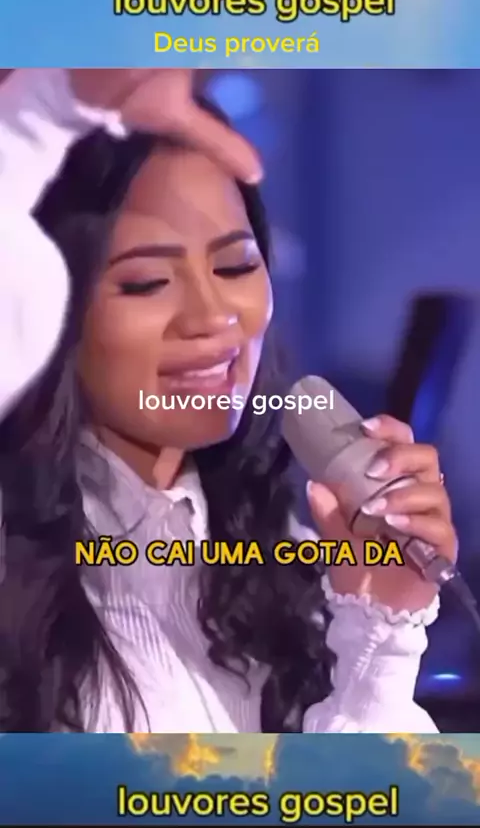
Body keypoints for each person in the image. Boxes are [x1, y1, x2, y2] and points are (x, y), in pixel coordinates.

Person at [0, 69, 457, 734]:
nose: (214, 317)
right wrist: (41, 112)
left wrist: (378, 641)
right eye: (147, 282)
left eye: (236, 266)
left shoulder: (285, 556)